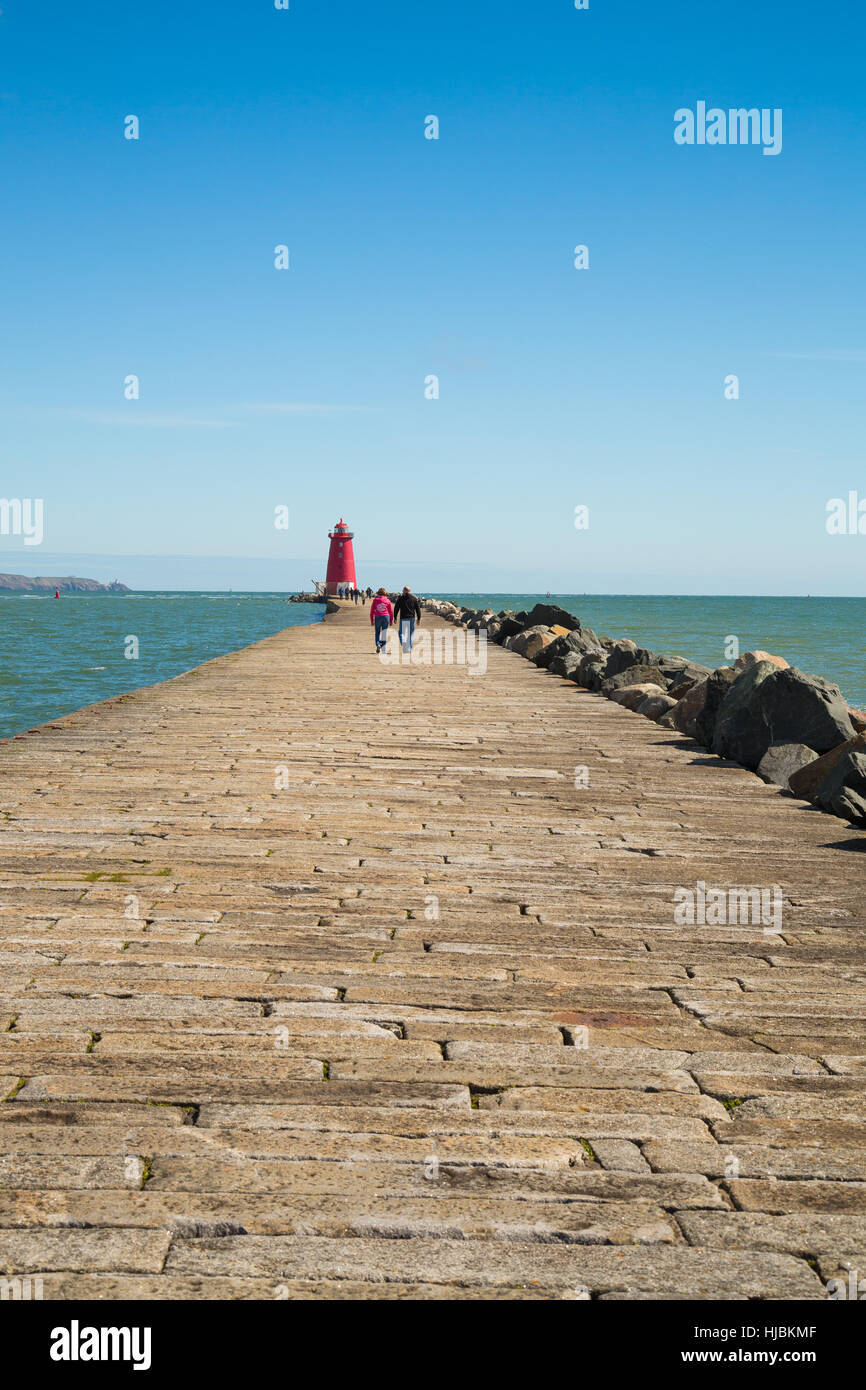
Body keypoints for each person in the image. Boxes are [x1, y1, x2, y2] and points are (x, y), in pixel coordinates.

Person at [393, 585, 421, 654]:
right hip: (411, 618)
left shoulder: (400, 598)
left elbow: (396, 608)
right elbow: (418, 609)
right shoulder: (414, 599)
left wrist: (395, 617)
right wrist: (419, 618)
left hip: (403, 618)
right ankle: (409, 648)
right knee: (411, 634)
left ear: (405, 591)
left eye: (403, 590)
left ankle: (404, 644)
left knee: (401, 633)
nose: (402, 591)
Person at [370, 587, 394, 653]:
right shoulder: (388, 600)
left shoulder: (375, 600)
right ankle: (383, 646)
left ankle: (378, 644)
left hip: (377, 617)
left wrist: (372, 620)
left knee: (377, 632)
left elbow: (372, 611)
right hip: (386, 617)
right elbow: (391, 611)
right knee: (384, 633)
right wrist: (391, 620)